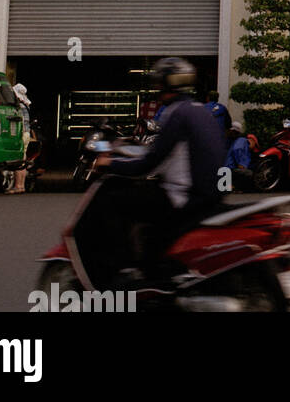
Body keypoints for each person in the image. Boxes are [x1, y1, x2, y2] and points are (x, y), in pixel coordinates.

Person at [89, 56, 226, 288]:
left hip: (183, 196)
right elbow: (168, 152)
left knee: (111, 201)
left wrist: (109, 163)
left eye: (159, 83)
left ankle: (124, 269)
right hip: (209, 195)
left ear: (165, 84)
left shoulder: (174, 112)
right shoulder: (202, 111)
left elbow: (149, 164)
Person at [11, 83, 33, 192]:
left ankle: (17, 186)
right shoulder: (26, 105)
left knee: (18, 161)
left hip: (22, 133)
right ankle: (22, 186)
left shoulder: (19, 106)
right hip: (27, 134)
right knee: (23, 160)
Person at [223, 122, 254, 191]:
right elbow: (241, 166)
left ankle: (230, 185)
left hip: (224, 171)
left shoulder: (236, 142)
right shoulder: (239, 142)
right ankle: (235, 186)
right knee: (249, 173)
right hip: (228, 171)